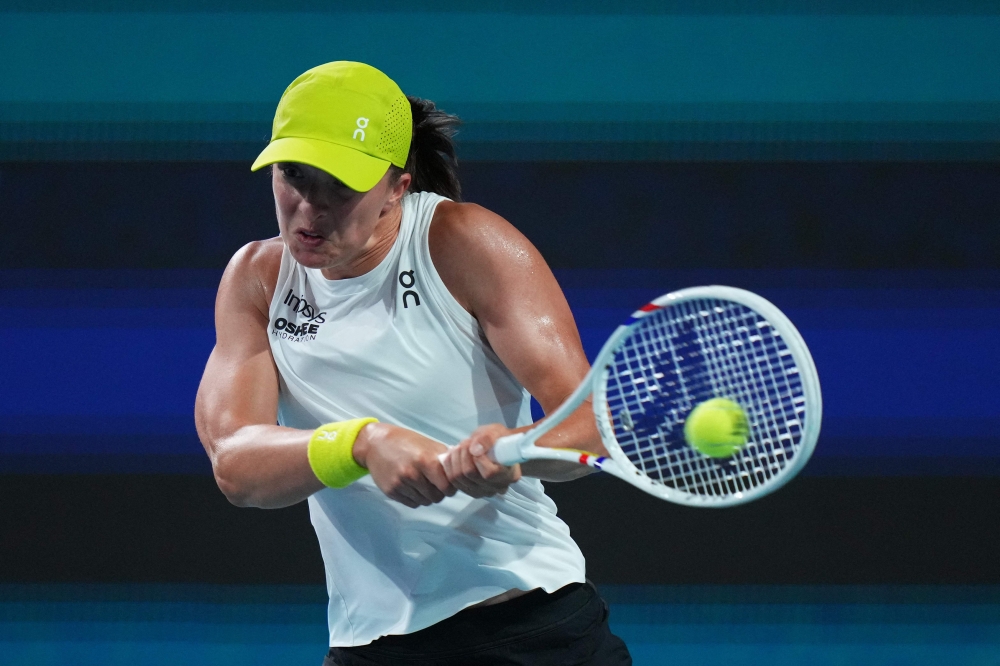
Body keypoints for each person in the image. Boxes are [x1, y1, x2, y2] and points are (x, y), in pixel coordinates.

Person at [195, 61, 632, 665]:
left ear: (397, 186)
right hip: (371, 642)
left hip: (529, 625)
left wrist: (516, 451)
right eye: (293, 176)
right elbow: (235, 466)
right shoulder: (258, 280)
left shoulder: (463, 242)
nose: (309, 210)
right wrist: (359, 443)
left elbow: (592, 425)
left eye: (340, 186)